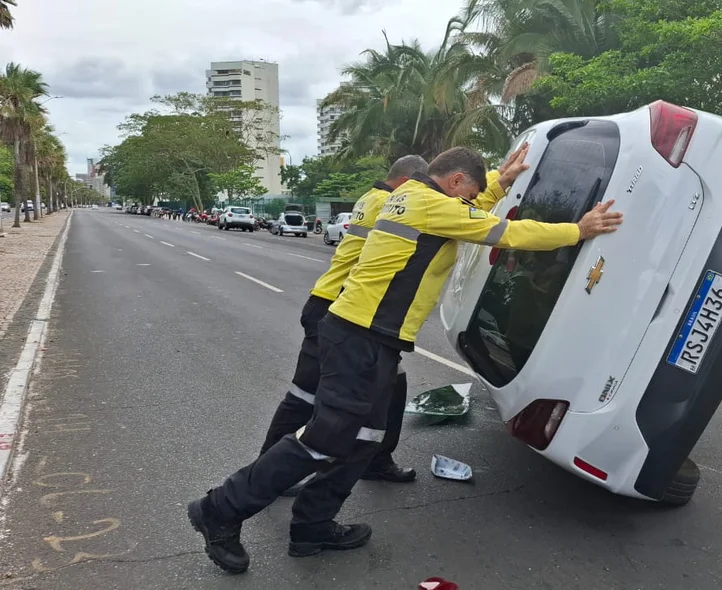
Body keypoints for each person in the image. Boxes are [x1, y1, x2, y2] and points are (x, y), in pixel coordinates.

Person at [187, 146, 623, 574]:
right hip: (359, 335)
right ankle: (219, 509)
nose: (470, 203)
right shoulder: (430, 204)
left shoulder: (411, 197)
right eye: (467, 194)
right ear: (454, 183)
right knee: (324, 439)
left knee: (366, 437)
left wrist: (495, 183)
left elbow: (465, 214)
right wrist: (578, 230)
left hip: (370, 336)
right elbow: (503, 232)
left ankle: (312, 526)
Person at [259, 147, 531, 492]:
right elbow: (459, 215)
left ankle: (373, 459)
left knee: (384, 391)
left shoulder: (381, 199)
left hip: (340, 306)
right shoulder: (400, 202)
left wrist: (497, 182)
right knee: (309, 400)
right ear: (407, 181)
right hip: (342, 308)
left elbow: (460, 209)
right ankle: (272, 476)